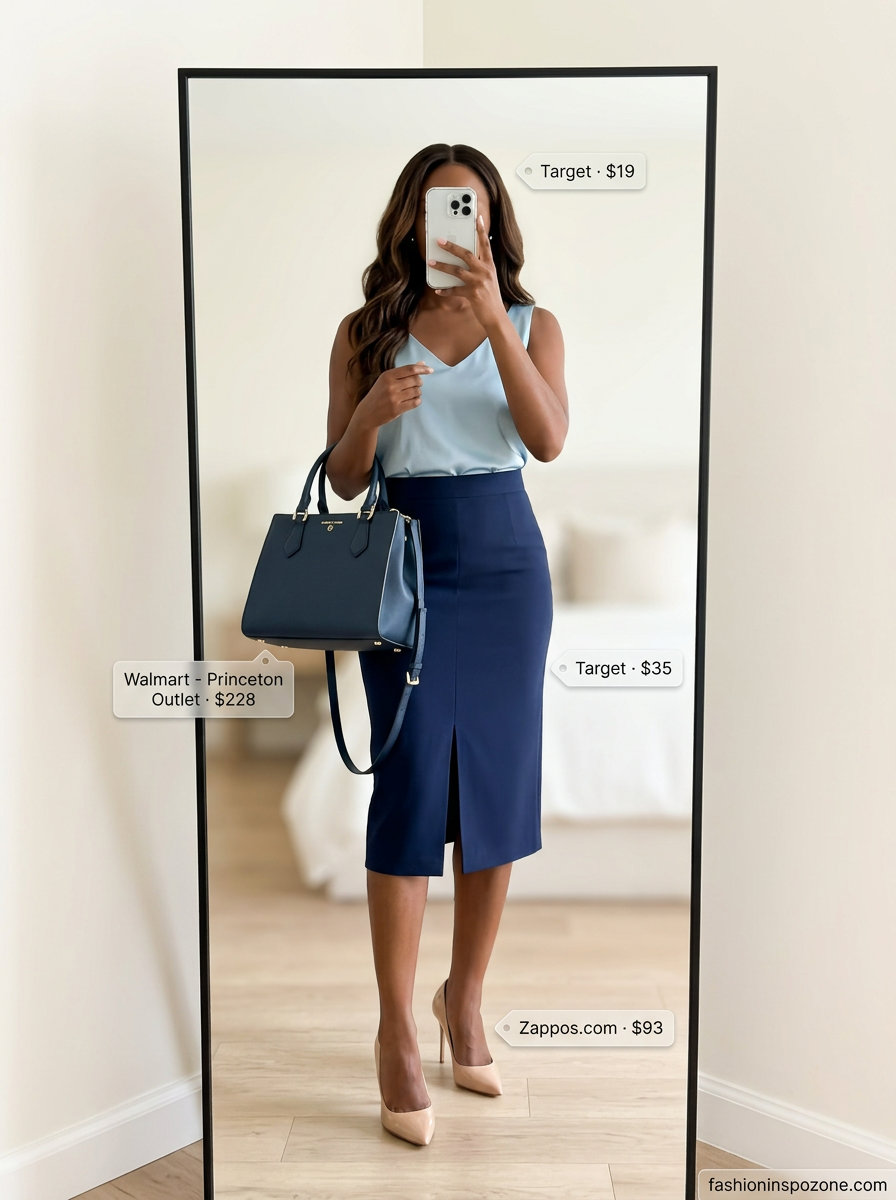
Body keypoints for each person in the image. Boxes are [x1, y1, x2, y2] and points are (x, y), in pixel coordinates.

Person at [325, 143, 568, 1146]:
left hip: (508, 569)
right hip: (406, 570)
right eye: (434, 211)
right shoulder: (364, 331)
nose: (450, 227)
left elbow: (547, 439)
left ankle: (462, 999)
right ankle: (394, 1027)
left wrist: (492, 327)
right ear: (405, 223)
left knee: (496, 787)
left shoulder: (533, 323)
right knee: (412, 781)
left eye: (465, 210)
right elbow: (342, 481)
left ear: (492, 222)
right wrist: (374, 413)